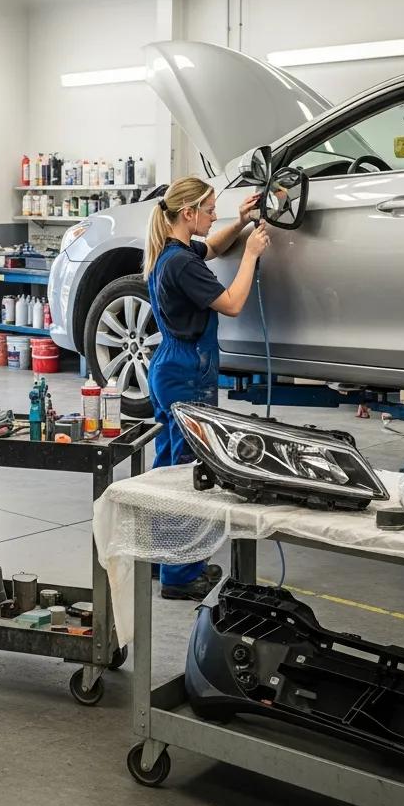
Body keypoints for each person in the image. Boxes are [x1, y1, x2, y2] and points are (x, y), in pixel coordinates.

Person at [145, 176, 270, 600]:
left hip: (170, 366)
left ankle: (161, 560)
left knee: (167, 467)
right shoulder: (182, 263)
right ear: (189, 213)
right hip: (187, 373)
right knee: (188, 475)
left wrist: (241, 222)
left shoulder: (172, 252)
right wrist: (251, 254)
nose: (214, 214)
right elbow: (232, 304)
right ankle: (180, 578)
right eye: (211, 208)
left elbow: (213, 247)